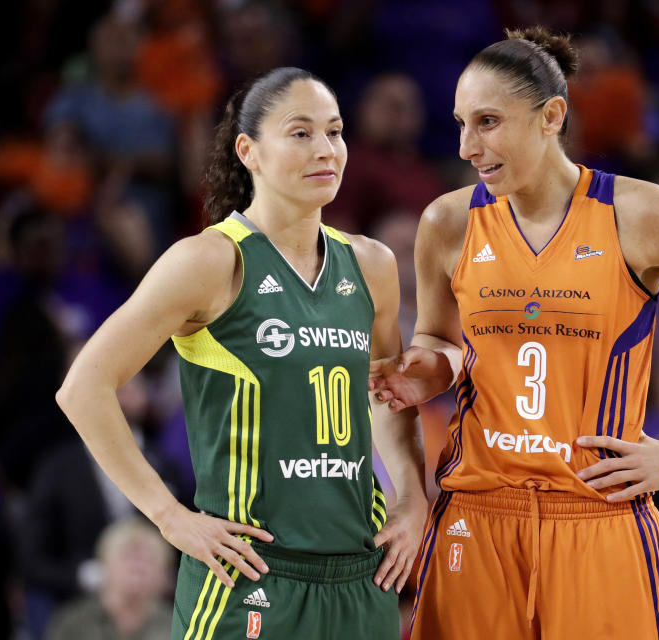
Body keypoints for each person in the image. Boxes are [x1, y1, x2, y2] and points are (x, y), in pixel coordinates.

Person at [368, 27, 659, 639]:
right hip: (476, 510)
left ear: (552, 115)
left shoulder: (641, 214)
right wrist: (427, 371)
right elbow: (442, 343)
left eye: (488, 122)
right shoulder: (446, 221)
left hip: (597, 513)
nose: (468, 145)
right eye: (460, 123)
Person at [56, 67, 428, 640]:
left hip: (361, 576)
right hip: (251, 578)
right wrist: (169, 517)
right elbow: (83, 387)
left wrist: (411, 494)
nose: (325, 149)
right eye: (300, 133)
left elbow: (385, 394)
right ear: (248, 150)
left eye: (334, 131)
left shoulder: (372, 264)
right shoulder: (209, 261)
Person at [44, 518, 174, 640]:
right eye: (128, 557)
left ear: (164, 574)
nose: (138, 568)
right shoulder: (73, 623)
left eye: (149, 560)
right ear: (104, 565)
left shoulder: (177, 625)